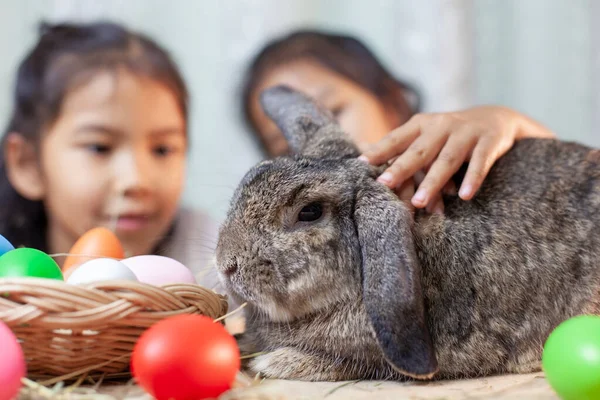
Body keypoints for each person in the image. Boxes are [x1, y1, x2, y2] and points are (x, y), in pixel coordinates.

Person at [0, 21, 219, 288]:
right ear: (29, 164)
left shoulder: (210, 260)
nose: (136, 180)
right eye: (99, 147)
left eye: (162, 149)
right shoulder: (9, 279)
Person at [241, 30, 556, 213]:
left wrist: (504, 121)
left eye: (334, 113)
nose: (315, 148)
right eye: (285, 145)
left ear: (391, 103)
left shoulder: (456, 160)